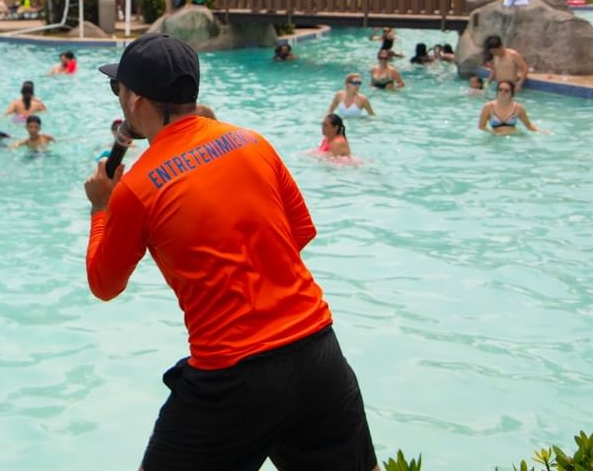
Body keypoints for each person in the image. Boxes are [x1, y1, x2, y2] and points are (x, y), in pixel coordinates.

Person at [85, 33, 376, 471]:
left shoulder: (137, 188)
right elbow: (296, 235)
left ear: (137, 100)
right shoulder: (252, 142)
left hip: (231, 374)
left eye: (117, 89)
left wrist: (101, 208)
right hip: (317, 351)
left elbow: (104, 285)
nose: (119, 98)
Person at [479, 81, 543, 134]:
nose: (502, 92)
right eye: (500, 89)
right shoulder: (488, 107)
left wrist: (542, 131)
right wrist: (493, 133)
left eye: (506, 90)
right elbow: (481, 126)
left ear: (512, 93)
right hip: (496, 137)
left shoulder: (518, 107)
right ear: (497, 91)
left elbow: (529, 126)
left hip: (514, 137)